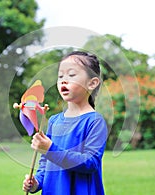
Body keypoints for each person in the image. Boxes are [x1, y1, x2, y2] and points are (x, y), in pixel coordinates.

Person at [22, 51, 108, 195]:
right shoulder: (54, 121)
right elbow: (45, 163)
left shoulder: (95, 121)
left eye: (72, 75)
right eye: (60, 76)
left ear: (92, 83)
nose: (63, 80)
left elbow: (90, 163)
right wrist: (36, 182)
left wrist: (50, 149)